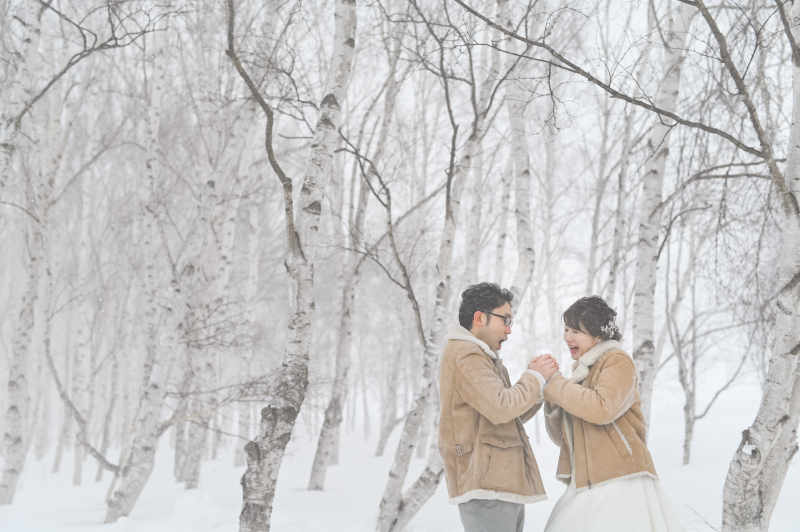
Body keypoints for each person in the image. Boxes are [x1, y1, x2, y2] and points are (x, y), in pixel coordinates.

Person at [542, 295, 683, 531]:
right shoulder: (580, 374)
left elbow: (602, 408)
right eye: (566, 330)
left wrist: (557, 385)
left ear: (599, 334)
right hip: (588, 479)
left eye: (576, 331)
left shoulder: (617, 361)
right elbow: (563, 439)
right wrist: (554, 403)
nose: (567, 337)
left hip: (620, 477)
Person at [439, 282, 559, 532]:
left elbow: (507, 415)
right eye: (505, 319)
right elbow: (502, 407)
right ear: (479, 318)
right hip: (487, 487)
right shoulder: (466, 354)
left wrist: (540, 387)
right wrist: (534, 377)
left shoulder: (481, 356)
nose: (509, 329)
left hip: (498, 482)